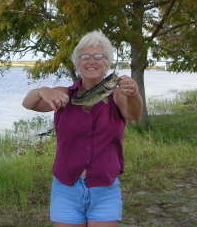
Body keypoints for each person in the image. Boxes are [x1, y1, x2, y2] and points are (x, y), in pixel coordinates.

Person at [22, 30, 143, 227]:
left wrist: (134, 94)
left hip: (105, 187)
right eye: (85, 57)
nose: (91, 61)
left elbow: (134, 115)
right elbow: (29, 103)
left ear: (107, 62)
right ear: (77, 64)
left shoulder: (117, 94)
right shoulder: (64, 95)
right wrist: (42, 91)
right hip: (66, 187)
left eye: (99, 56)